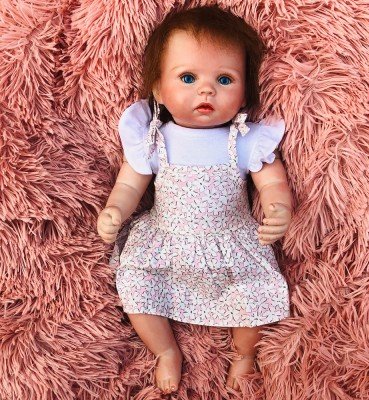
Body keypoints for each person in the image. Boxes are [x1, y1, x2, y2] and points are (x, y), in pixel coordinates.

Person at [97, 5, 293, 395]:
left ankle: (244, 354)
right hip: (166, 242)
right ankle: (166, 351)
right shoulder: (153, 140)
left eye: (225, 79)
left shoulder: (244, 140)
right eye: (188, 77)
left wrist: (279, 207)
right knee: (135, 285)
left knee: (254, 293)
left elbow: (272, 180)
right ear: (158, 89)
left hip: (231, 244)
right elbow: (130, 184)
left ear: (244, 93)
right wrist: (115, 209)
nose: (207, 90)